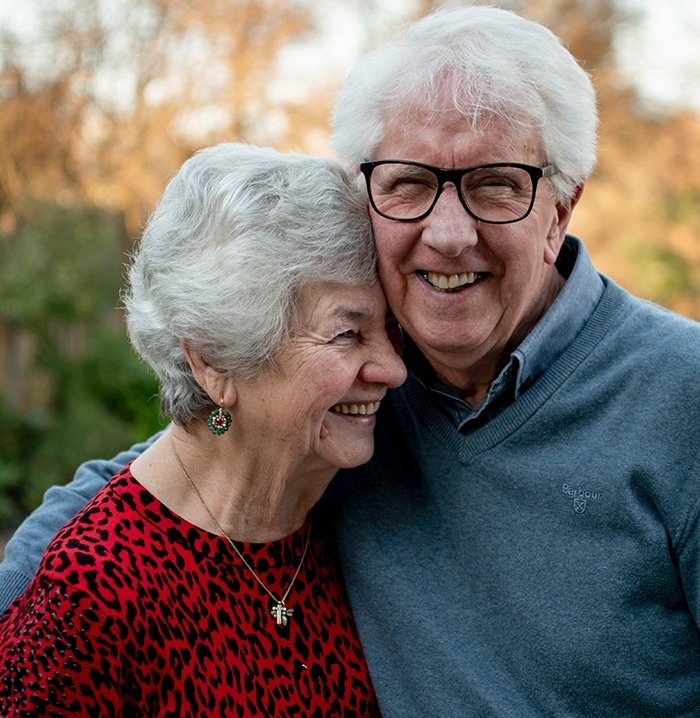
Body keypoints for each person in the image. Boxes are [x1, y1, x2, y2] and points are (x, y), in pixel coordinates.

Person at [2, 5, 700, 717]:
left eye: (496, 183)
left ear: (559, 209)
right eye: (410, 183)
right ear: (371, 193)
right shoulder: (360, 395)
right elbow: (185, 461)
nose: (449, 235)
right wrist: (30, 614)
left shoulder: (683, 398)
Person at [0, 142, 406, 715]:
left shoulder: (345, 518)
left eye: (390, 330)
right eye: (348, 334)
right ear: (215, 361)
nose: (394, 369)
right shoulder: (89, 596)